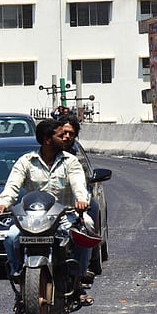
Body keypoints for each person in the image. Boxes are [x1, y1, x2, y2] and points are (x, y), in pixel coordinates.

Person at [0, 118, 92, 314]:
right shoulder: (26, 161)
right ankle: (19, 280)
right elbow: (13, 185)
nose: (65, 137)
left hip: (64, 216)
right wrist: (3, 202)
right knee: (11, 236)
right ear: (47, 139)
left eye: (66, 134)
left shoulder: (70, 161)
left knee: (86, 229)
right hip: (32, 217)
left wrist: (81, 200)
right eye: (59, 134)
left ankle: (79, 279)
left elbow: (78, 183)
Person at [58, 114, 102, 284]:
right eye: (63, 133)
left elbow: (82, 180)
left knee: (89, 219)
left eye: (71, 133)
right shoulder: (45, 153)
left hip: (77, 200)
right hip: (51, 206)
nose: (67, 137)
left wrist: (82, 199)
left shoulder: (77, 156)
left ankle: (87, 264)